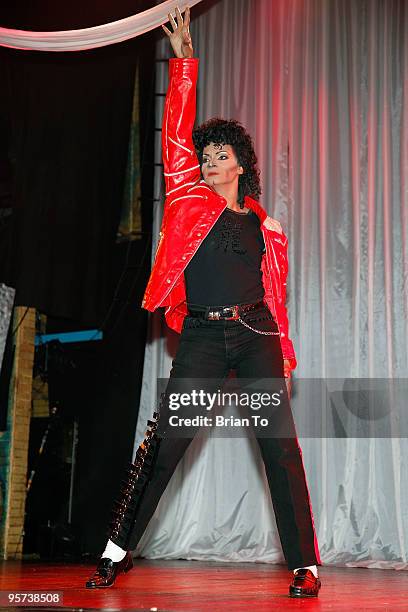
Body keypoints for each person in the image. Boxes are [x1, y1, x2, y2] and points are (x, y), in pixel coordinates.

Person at [86, 6, 321, 598]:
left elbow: (276, 298)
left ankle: (306, 565)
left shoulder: (268, 229)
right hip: (202, 339)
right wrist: (184, 61)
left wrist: (285, 352)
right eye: (206, 154)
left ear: (241, 164)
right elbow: (175, 129)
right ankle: (116, 551)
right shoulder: (189, 199)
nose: (210, 160)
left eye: (220, 155)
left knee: (280, 450)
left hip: (258, 335)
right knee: (165, 447)